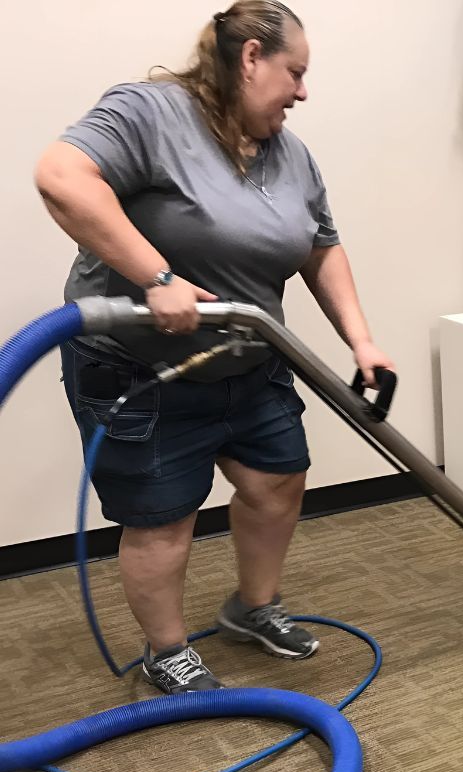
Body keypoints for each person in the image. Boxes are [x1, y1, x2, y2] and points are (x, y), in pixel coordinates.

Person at [34, 1, 393, 694]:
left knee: (276, 481)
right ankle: (166, 650)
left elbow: (321, 245)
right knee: (162, 519)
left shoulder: (289, 152)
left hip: (251, 358)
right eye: (296, 72)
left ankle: (251, 609)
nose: (303, 91)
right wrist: (156, 278)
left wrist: (364, 340)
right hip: (142, 370)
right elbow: (61, 177)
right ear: (252, 56)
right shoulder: (149, 113)